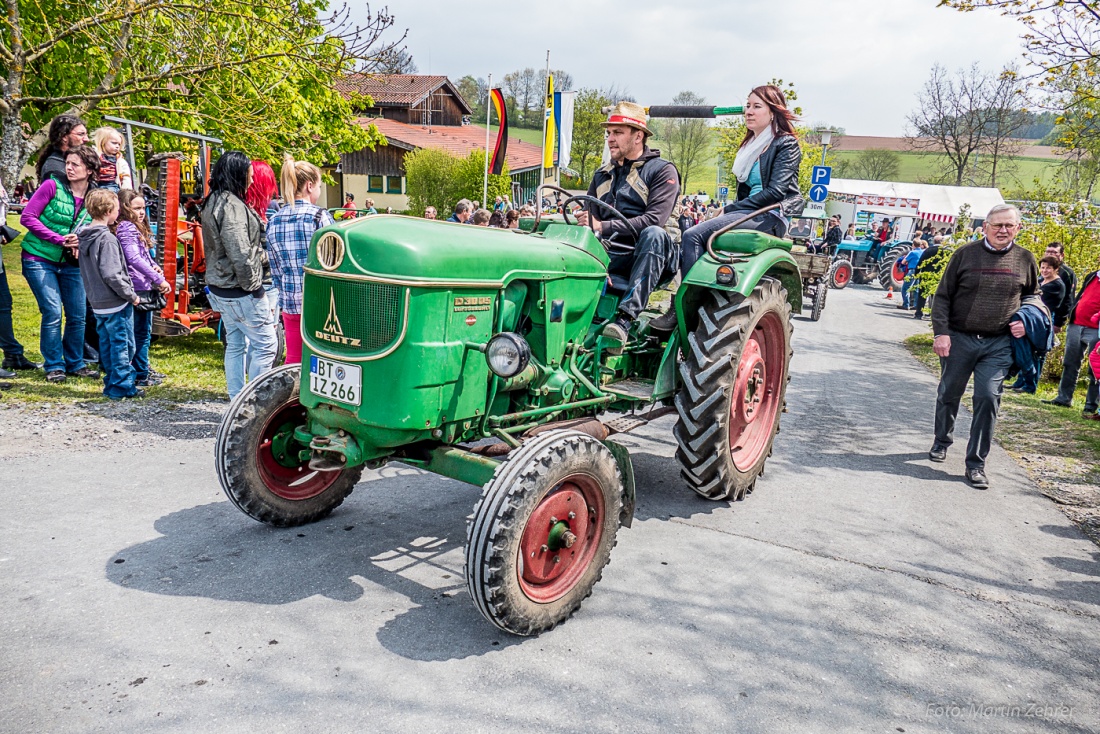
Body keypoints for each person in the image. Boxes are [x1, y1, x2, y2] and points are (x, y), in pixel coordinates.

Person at [673, 86, 803, 331]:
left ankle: (685, 307)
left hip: (771, 214)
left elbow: (775, 192)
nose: (749, 112)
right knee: (695, 232)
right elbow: (745, 191)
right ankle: (704, 297)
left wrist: (730, 209)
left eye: (757, 106)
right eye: (748, 106)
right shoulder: (750, 147)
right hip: (749, 211)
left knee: (693, 236)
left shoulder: (785, 144)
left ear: (773, 112)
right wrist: (731, 210)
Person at [929, 204, 1038, 489]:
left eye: (1009, 225)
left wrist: (1027, 321)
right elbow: (942, 297)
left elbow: (1033, 297)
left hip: (999, 342)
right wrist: (941, 333)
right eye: (997, 225)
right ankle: (942, 440)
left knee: (988, 398)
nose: (1003, 230)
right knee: (949, 392)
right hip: (960, 337)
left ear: (1018, 228)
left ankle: (976, 465)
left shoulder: (1026, 259)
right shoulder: (965, 254)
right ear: (985, 227)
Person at [574, 101, 681, 347]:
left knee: (654, 233)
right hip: (610, 249)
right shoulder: (602, 174)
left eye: (618, 133)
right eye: (609, 133)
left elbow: (655, 219)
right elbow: (591, 215)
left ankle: (625, 319)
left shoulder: (661, 171)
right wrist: (584, 220)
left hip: (653, 254)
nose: (610, 139)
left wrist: (602, 226)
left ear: (638, 136)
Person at [19, 146, 102, 383]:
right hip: (38, 258)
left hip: (73, 263)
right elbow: (27, 217)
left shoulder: (94, 194)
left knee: (77, 315)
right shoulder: (52, 186)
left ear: (89, 169)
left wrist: (82, 240)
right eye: (68, 163)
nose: (69, 167)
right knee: (53, 312)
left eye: (75, 164)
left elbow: (103, 223)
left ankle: (75, 363)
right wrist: (59, 239)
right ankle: (54, 365)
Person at [202, 151, 278, 398]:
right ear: (237, 174)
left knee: (235, 344)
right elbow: (241, 254)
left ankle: (237, 400)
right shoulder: (231, 206)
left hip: (220, 286)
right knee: (266, 346)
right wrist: (255, 289)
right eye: (249, 175)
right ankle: (253, 404)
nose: (253, 181)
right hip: (240, 289)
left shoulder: (213, 200)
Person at [266, 154, 332, 365]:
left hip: (290, 302)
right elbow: (332, 263)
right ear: (310, 186)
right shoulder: (319, 217)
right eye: (320, 186)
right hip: (321, 304)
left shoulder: (274, 221)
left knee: (294, 359)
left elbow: (275, 270)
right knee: (321, 359)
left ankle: (294, 396)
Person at [77, 189, 142, 399]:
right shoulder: (107, 239)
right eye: (117, 209)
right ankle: (122, 386)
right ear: (108, 211)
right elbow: (112, 274)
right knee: (123, 345)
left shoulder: (85, 237)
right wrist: (130, 294)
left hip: (97, 302)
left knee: (106, 344)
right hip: (115, 302)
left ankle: (111, 381)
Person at [114, 189, 170, 387]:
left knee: (141, 332)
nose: (141, 212)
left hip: (140, 283)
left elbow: (140, 255)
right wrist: (157, 277)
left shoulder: (130, 227)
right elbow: (133, 258)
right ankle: (140, 372)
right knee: (141, 333)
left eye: (143, 208)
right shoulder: (127, 227)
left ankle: (141, 370)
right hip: (137, 286)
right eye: (136, 208)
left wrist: (152, 264)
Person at [1043, 254, 1100, 419]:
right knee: (1070, 362)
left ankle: (1091, 405)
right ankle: (1063, 398)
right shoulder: (1093, 276)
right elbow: (1080, 295)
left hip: (1095, 328)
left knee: (1095, 367)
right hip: (1076, 324)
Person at [35, 115, 88, 184]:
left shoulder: (65, 160)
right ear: (64, 137)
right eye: (81, 134)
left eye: (86, 134)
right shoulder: (54, 168)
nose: (87, 139)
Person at [1044, 242, 1075, 333]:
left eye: (1054, 252)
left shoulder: (1066, 273)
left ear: (1062, 255)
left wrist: (1059, 322)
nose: (1050, 254)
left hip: (1053, 315)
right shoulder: (1043, 269)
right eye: (1048, 251)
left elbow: (1067, 298)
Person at [913, 235, 944, 320]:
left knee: (922, 295)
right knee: (935, 296)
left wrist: (916, 274)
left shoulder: (928, 250)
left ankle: (919, 313)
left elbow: (920, 262)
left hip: (925, 275)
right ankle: (933, 314)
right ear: (942, 242)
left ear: (934, 242)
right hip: (939, 276)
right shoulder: (945, 251)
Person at [92, 127, 133, 193]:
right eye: (114, 143)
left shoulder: (120, 161)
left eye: (119, 144)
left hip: (113, 185)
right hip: (96, 185)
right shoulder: (95, 157)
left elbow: (126, 178)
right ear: (103, 142)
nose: (117, 146)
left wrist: (127, 192)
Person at [898, 241, 925, 309]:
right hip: (920, 272)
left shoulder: (912, 252)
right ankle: (916, 305)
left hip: (912, 271)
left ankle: (906, 304)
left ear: (913, 245)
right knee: (916, 289)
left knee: (905, 288)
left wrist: (907, 262)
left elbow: (903, 262)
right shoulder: (923, 252)